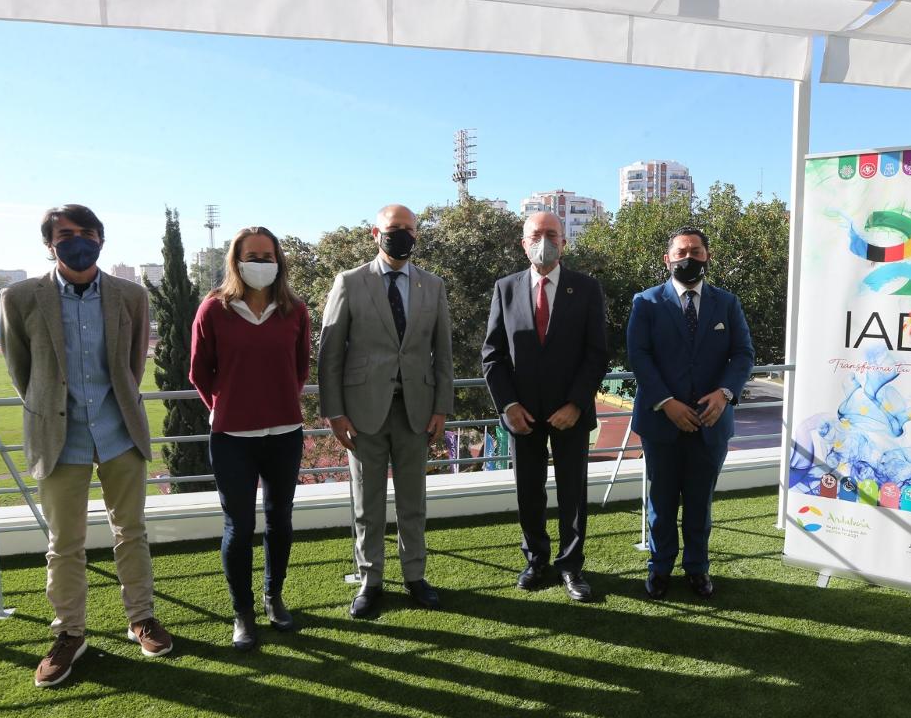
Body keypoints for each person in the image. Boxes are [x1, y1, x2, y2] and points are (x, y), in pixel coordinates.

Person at [0, 204, 172, 688]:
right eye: (65, 233)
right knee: (64, 545)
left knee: (131, 530)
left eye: (86, 232)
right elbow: (21, 369)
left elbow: (132, 365)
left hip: (119, 431)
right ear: (49, 243)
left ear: (101, 238)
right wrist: (50, 407)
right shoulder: (20, 296)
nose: (78, 240)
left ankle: (141, 618)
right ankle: (70, 633)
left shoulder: (131, 296)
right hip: (59, 437)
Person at [318, 204, 454, 618]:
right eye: (395, 229)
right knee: (367, 502)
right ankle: (369, 579)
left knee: (414, 500)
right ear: (375, 232)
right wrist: (335, 413)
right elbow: (330, 356)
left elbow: (442, 354)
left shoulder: (433, 286)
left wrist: (441, 408)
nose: (404, 236)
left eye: (410, 230)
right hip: (363, 414)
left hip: (416, 410)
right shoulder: (350, 282)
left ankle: (415, 575)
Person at [189, 226, 311, 651]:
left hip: (284, 434)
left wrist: (275, 403)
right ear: (236, 260)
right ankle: (243, 612)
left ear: (279, 260)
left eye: (267, 255)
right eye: (251, 255)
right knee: (238, 527)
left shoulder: (294, 310)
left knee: (280, 521)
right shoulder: (213, 309)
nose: (260, 263)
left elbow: (300, 369)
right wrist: (226, 407)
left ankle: (273, 597)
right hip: (232, 438)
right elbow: (199, 372)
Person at [481, 212, 608, 601]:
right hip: (524, 416)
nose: (544, 240)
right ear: (523, 243)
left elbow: (597, 353)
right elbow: (492, 355)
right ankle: (536, 560)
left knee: (573, 494)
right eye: (536, 234)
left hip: (570, 414)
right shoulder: (505, 288)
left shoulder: (587, 288)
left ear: (564, 242)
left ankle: (571, 567)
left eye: (552, 234)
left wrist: (575, 403)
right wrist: (509, 406)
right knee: (528, 492)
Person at [626, 226, 755, 600]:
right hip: (661, 422)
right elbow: (640, 356)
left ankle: (697, 569)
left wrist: (725, 393)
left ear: (707, 257)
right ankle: (660, 568)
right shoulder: (645, 302)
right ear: (667, 259)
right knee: (661, 503)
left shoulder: (727, 303)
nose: (688, 258)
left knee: (700, 504)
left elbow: (743, 353)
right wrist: (666, 402)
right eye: (681, 252)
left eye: (696, 252)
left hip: (710, 423)